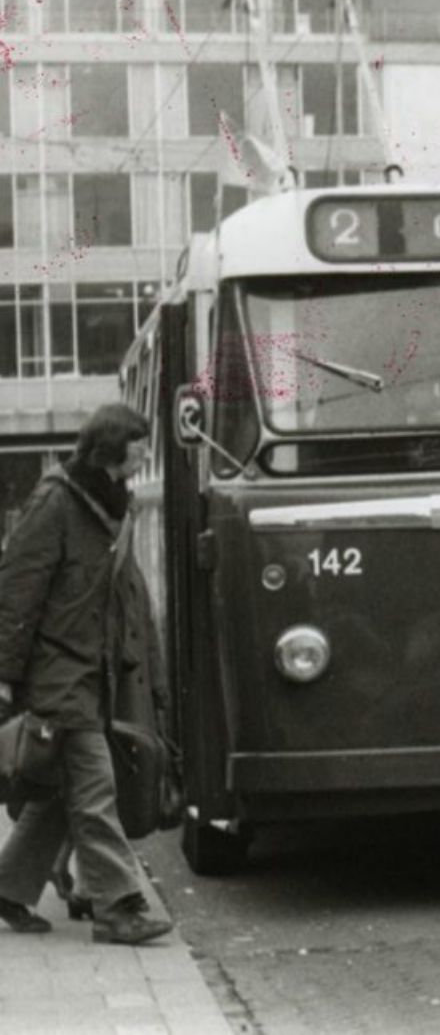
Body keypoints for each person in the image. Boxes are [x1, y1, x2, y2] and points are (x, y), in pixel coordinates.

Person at [0, 403, 174, 944]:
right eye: (139, 443)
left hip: (89, 673)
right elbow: (17, 591)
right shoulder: (57, 501)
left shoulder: (111, 504)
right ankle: (119, 907)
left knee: (57, 793)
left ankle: (7, 890)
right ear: (111, 446)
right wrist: (4, 675)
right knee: (96, 788)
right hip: (58, 677)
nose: (146, 452)